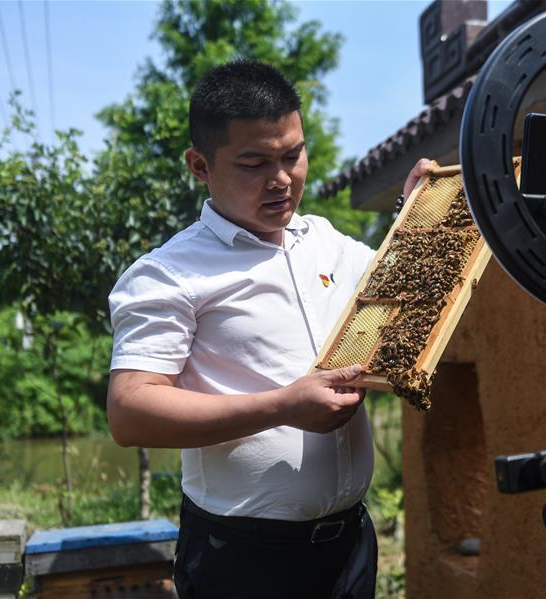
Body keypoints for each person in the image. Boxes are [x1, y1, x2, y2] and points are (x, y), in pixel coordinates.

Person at [107, 58, 433, 599]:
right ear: (200, 165)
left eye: (292, 155)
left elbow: (398, 291)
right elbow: (130, 411)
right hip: (242, 561)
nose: (281, 179)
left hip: (350, 547)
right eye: (254, 163)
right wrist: (282, 406)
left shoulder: (325, 242)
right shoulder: (167, 274)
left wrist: (417, 215)